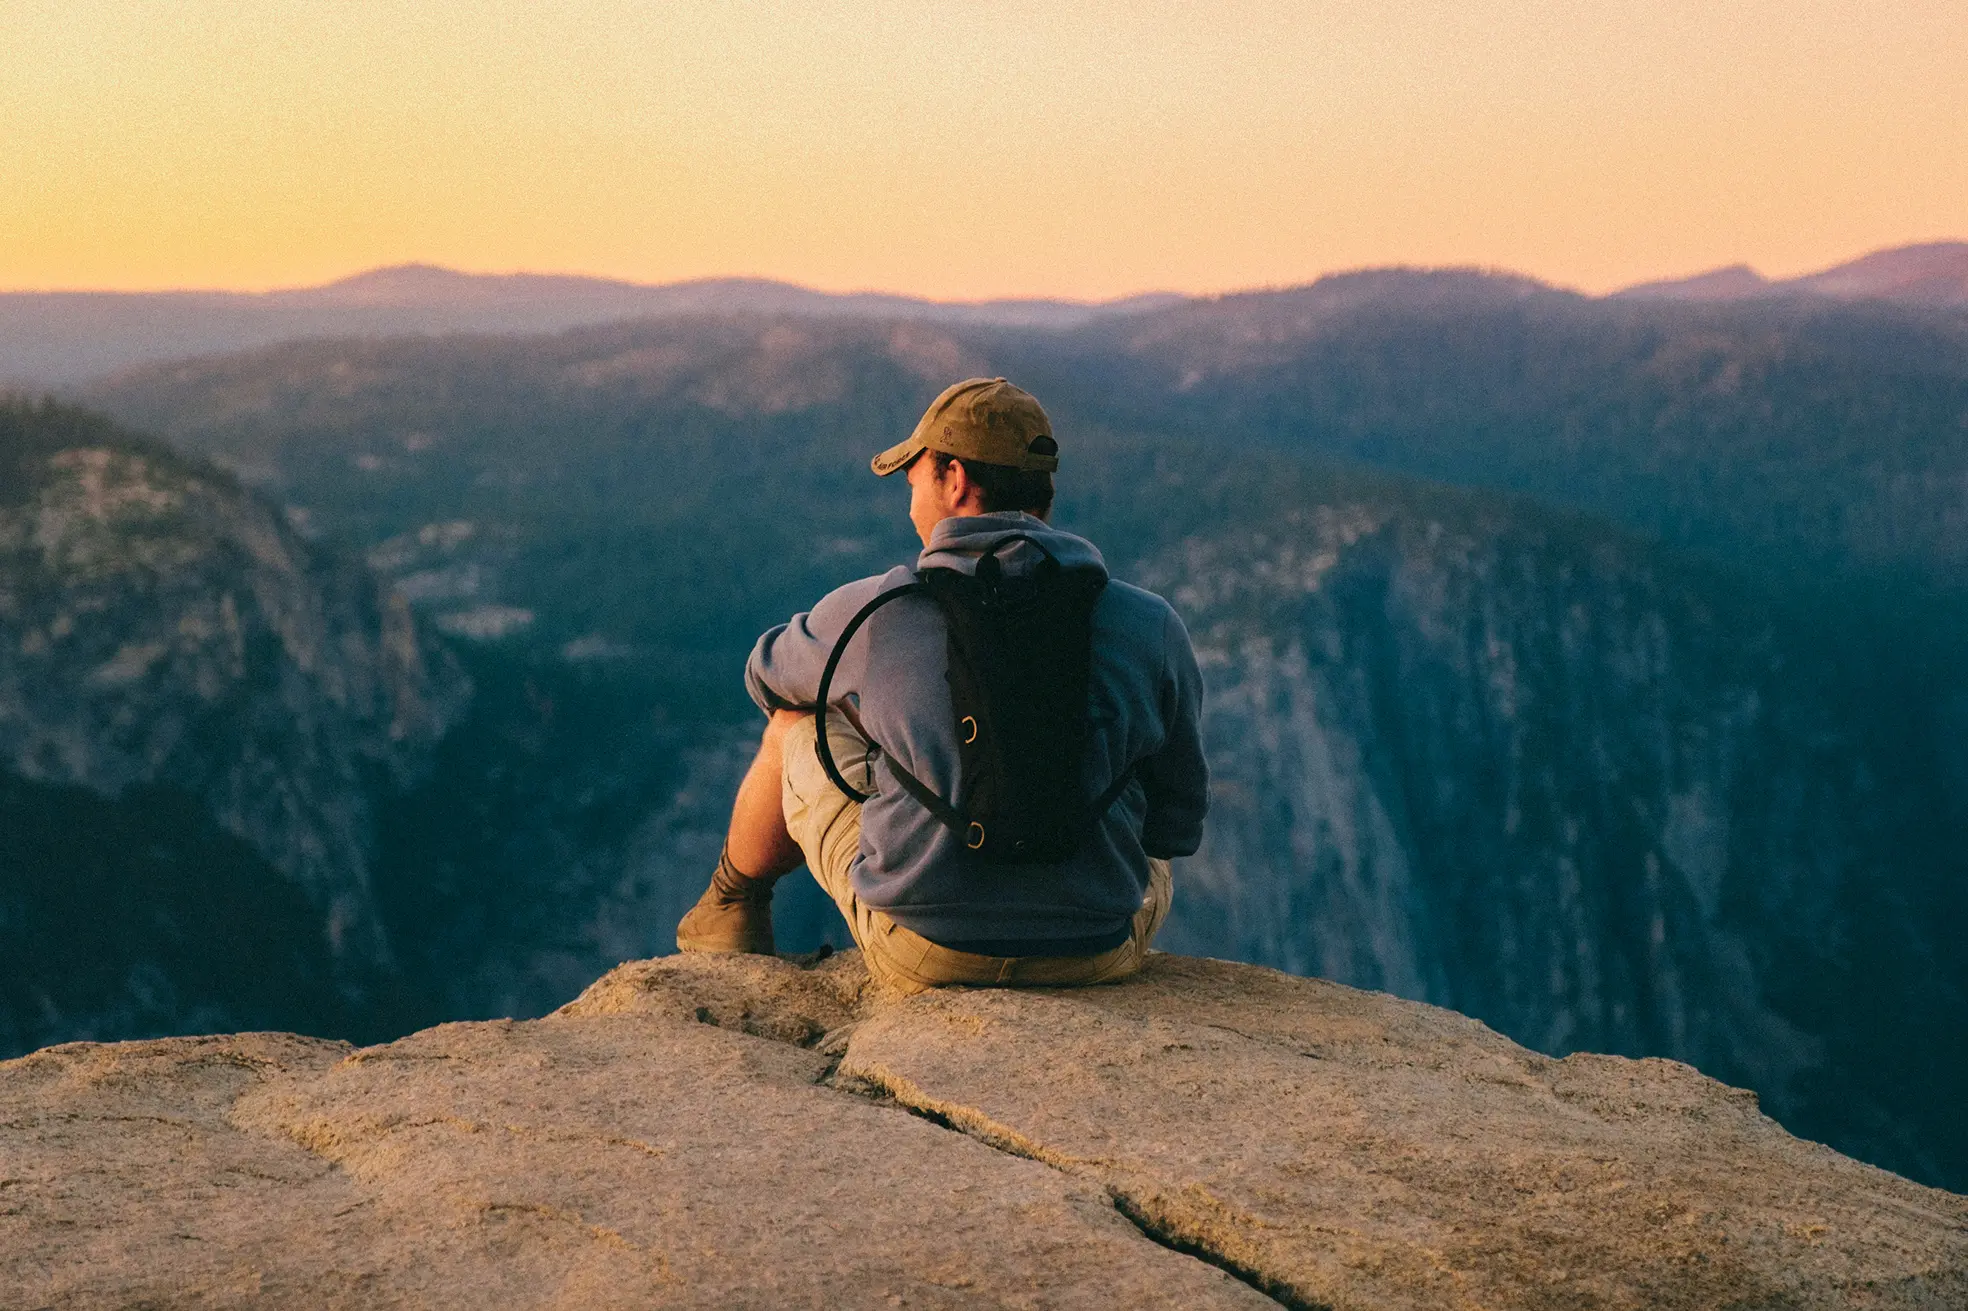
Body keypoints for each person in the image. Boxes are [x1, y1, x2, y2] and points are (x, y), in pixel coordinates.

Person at [675, 377, 1208, 995]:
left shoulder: (876, 612)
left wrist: (895, 725)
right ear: (1046, 490)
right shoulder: (1151, 623)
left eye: (914, 482)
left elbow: (766, 676)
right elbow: (1175, 826)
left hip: (924, 955)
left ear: (954, 480)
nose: (911, 505)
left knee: (797, 721)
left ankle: (730, 908)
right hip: (1093, 954)